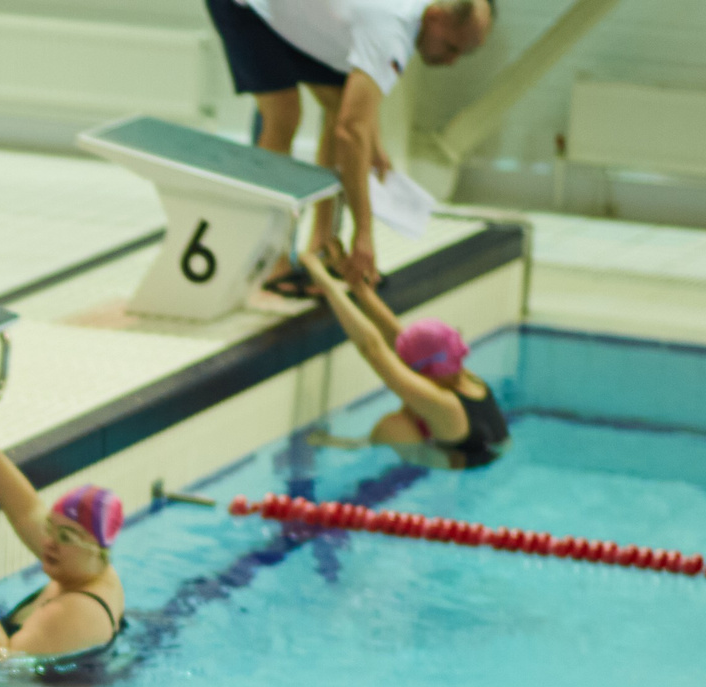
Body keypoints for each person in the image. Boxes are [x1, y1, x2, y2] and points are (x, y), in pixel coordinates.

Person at [203, 0, 493, 294]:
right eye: (451, 47)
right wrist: (364, 236)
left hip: (296, 9)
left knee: (340, 105)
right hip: (246, 7)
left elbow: (356, 103)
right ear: (435, 17)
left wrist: (372, 138)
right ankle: (267, 260)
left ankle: (322, 247)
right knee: (283, 115)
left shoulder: (402, 19)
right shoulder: (394, 29)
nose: (451, 61)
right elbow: (350, 133)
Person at [0, 399, 128, 662]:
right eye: (50, 528)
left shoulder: (75, 610)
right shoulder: (86, 566)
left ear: (96, 550)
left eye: (65, 536)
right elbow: (25, 510)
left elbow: (2, 664)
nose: (49, 542)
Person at [299, 247, 508, 468]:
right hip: (487, 446)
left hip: (462, 467)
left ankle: (358, 449)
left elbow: (373, 349)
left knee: (393, 429)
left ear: (423, 371)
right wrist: (358, 288)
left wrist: (325, 281)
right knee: (402, 419)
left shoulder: (445, 405)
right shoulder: (464, 377)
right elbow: (399, 338)